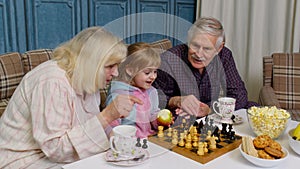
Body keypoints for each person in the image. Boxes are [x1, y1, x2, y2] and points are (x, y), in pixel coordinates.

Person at [0, 27, 143, 169]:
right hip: (23, 159)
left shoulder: (88, 79)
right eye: (110, 66)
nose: (116, 73)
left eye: (117, 65)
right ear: (90, 63)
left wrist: (115, 138)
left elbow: (89, 125)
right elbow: (55, 149)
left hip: (55, 157)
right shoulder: (52, 81)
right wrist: (107, 116)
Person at [153, 17, 258, 118]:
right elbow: (152, 98)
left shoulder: (224, 56)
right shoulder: (169, 59)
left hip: (211, 113)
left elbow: (239, 94)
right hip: (180, 114)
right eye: (195, 45)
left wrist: (211, 109)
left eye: (207, 48)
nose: (199, 54)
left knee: (255, 109)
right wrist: (177, 101)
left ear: (219, 48)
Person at [106, 42, 161, 138]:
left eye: (155, 71)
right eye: (147, 72)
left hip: (149, 139)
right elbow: (112, 125)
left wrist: (160, 121)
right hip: (128, 142)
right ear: (130, 70)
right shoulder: (119, 95)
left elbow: (153, 115)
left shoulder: (152, 92)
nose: (153, 77)